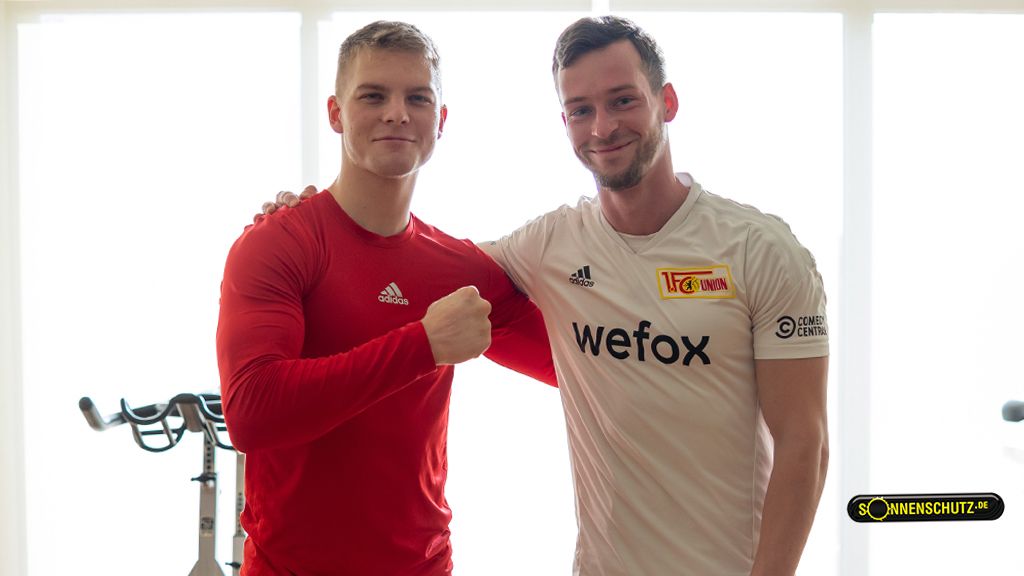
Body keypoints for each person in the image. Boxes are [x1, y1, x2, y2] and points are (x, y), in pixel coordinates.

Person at [266, 15, 829, 576]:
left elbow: (805, 443)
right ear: (565, 123)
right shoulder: (550, 245)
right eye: (581, 110)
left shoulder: (761, 251)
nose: (603, 127)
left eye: (623, 101)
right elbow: (408, 263)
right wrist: (311, 220)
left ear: (667, 101)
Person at [216, 21, 556, 576]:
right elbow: (252, 413)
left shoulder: (462, 269)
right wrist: (422, 345)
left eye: (417, 98)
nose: (397, 113)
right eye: (373, 96)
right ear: (336, 113)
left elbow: (586, 364)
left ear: (440, 120)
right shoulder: (279, 242)